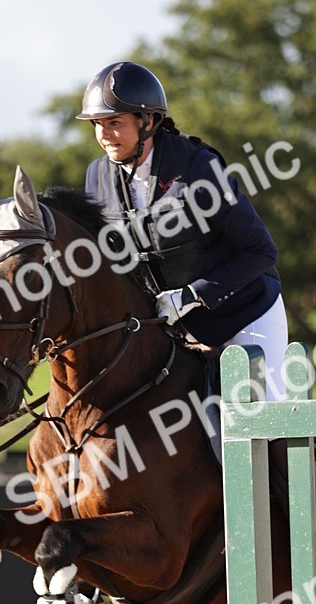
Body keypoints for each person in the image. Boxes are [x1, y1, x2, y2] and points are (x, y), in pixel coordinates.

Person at [77, 60, 288, 399]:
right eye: (97, 125)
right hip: (172, 329)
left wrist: (193, 295)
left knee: (267, 419)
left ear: (147, 121)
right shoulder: (97, 177)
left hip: (242, 314)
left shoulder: (196, 167)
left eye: (114, 123)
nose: (103, 135)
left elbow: (262, 251)